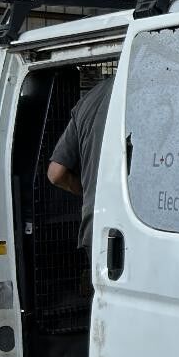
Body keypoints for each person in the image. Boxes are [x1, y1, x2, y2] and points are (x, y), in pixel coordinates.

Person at [46, 76, 114, 255]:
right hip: (141, 226)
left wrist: (91, 192)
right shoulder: (149, 89)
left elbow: (56, 174)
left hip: (96, 225)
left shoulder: (89, 100)